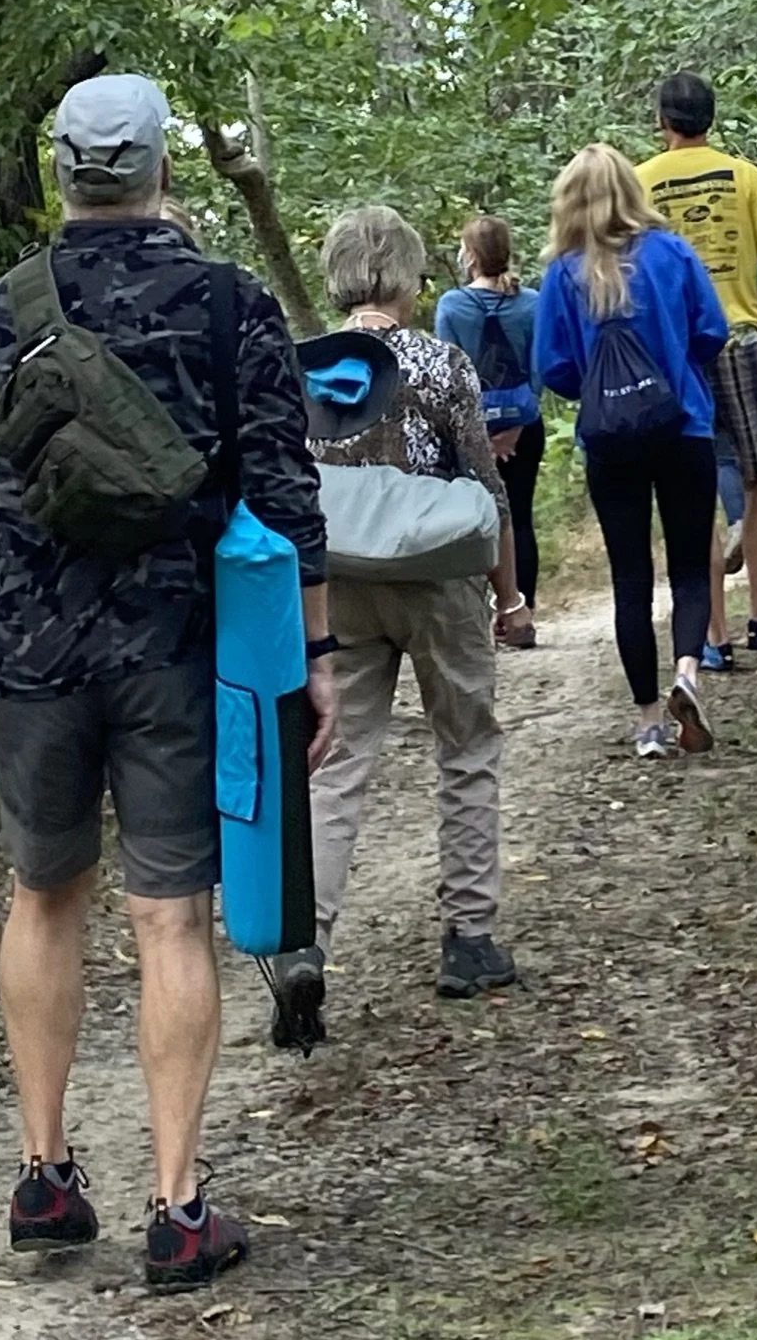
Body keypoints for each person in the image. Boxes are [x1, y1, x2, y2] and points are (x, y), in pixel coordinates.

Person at [0, 71, 335, 1288]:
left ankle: (46, 1179)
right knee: (171, 917)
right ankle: (177, 1204)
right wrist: (312, 658)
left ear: (62, 172)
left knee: (44, 895)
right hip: (178, 655)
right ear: (161, 171)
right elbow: (286, 495)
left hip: (31, 657)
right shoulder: (228, 304)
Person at [280, 204, 525, 1018]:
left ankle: (306, 944)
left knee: (336, 759)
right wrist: (509, 595)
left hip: (335, 580)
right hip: (438, 578)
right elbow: (487, 494)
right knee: (466, 747)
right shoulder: (441, 364)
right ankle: (469, 936)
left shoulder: (301, 369)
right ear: (411, 281)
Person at [533, 144, 725, 759]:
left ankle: (647, 723)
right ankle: (688, 674)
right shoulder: (672, 252)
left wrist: (602, 388)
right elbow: (712, 332)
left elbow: (553, 367)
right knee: (692, 567)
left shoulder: (563, 274)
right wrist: (673, 370)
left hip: (610, 440)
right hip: (684, 426)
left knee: (630, 578)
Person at [636, 71, 757, 665]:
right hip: (742, 339)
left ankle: (712, 634)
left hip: (674, 350)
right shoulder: (745, 177)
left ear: (662, 120)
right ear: (711, 118)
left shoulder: (639, 184)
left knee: (694, 488)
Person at [434, 216, 543, 645]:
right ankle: (523, 608)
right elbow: (539, 371)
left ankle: (488, 612)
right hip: (526, 427)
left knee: (481, 519)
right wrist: (517, 426)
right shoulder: (533, 303)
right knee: (521, 516)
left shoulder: (451, 306)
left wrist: (484, 433)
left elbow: (450, 373)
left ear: (471, 256)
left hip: (472, 429)